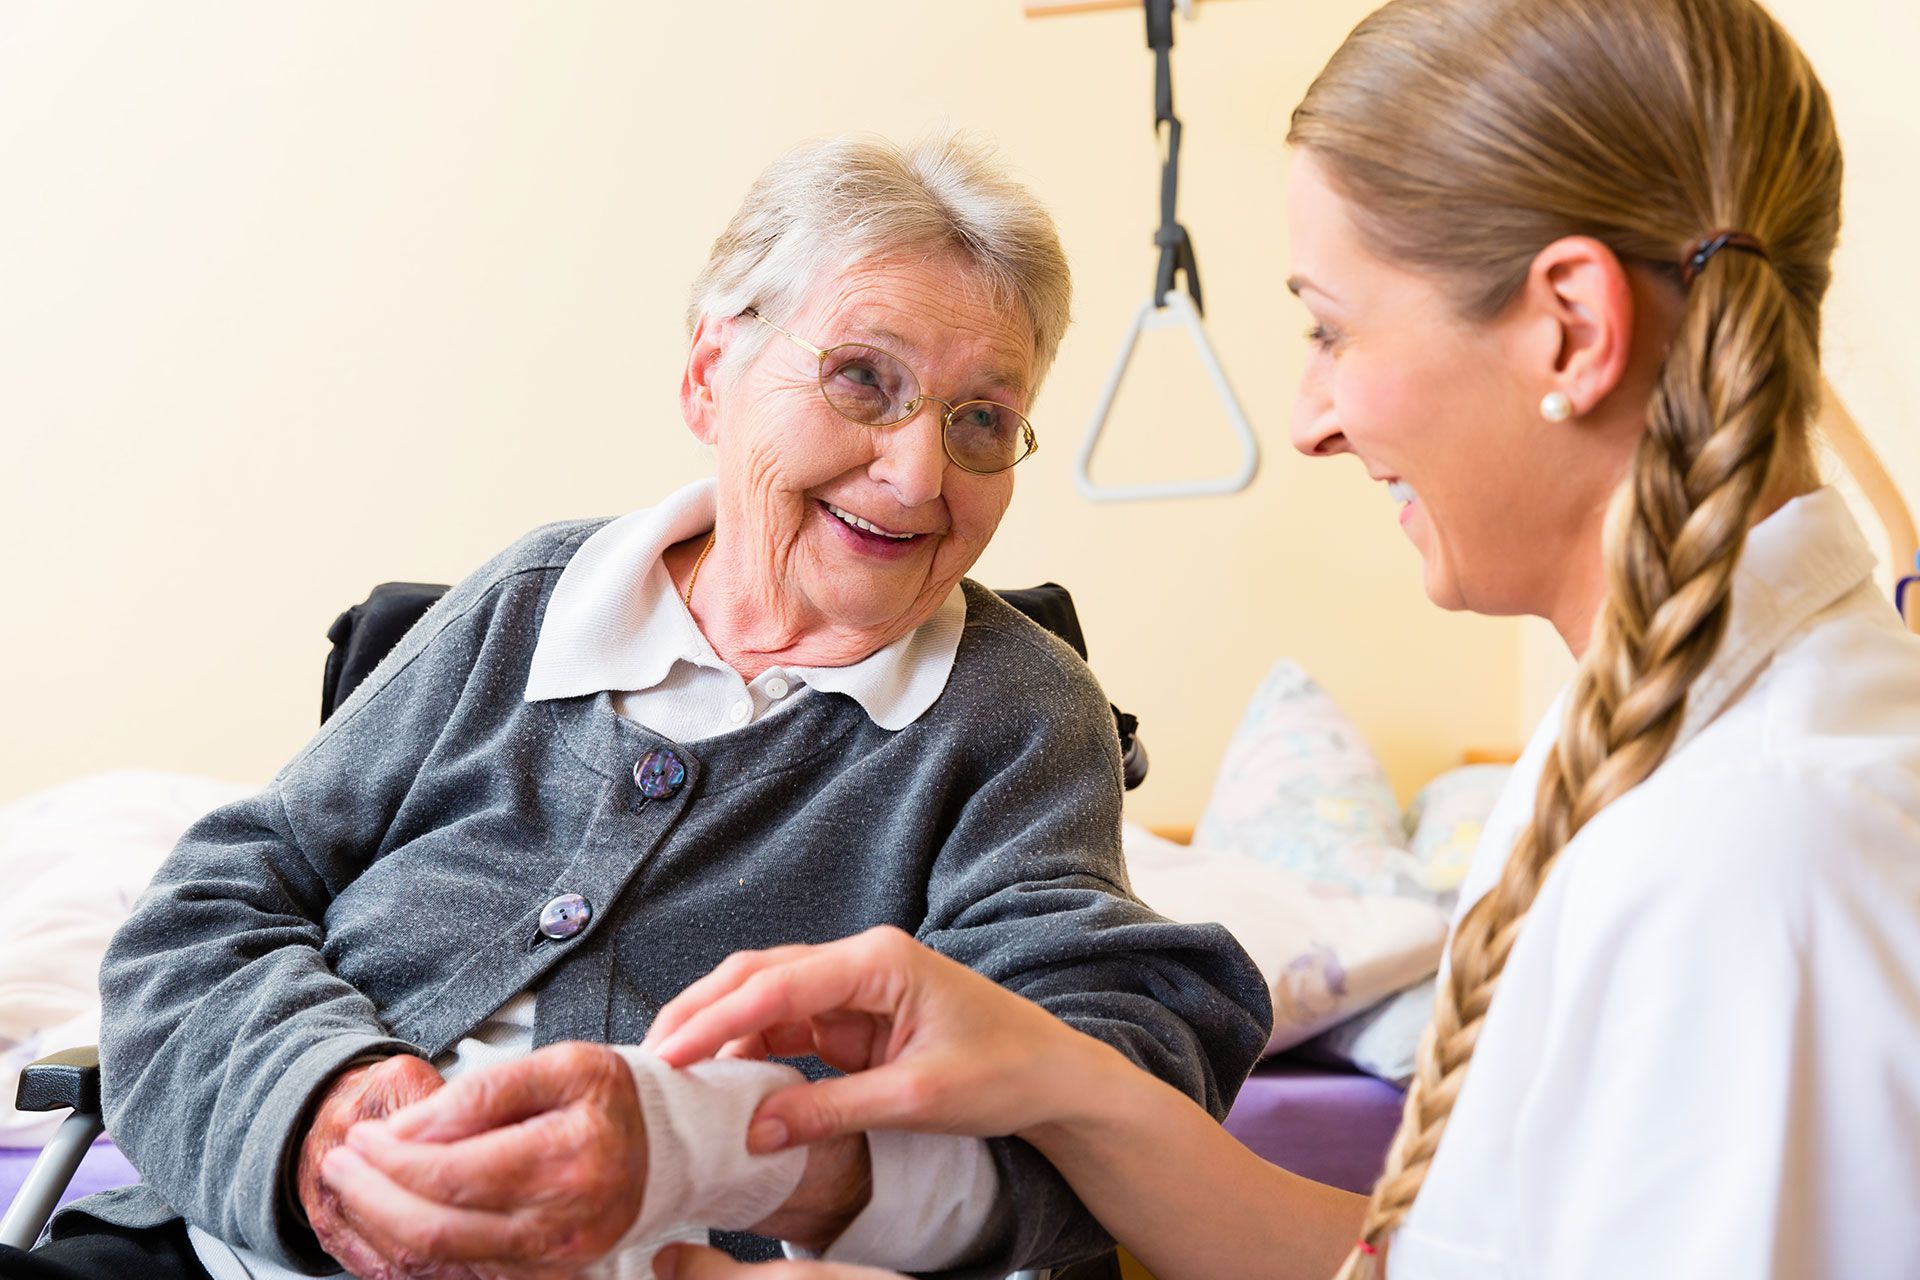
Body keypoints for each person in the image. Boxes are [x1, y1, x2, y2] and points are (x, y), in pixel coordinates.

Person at [585, 0, 1920, 1276]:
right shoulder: (1647, 754)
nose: (1309, 418)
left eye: (1332, 328)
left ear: (1570, 329)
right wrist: (1062, 1081)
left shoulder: (1762, 849)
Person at [5, 133, 1270, 1280]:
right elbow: (211, 905)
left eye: (984, 417)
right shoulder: (536, 598)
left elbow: (1108, 1068)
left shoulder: (1015, 712)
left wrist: (715, 1149)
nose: (918, 469)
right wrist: (325, 1110)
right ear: (713, 374)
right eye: (861, 378)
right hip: (233, 1249)